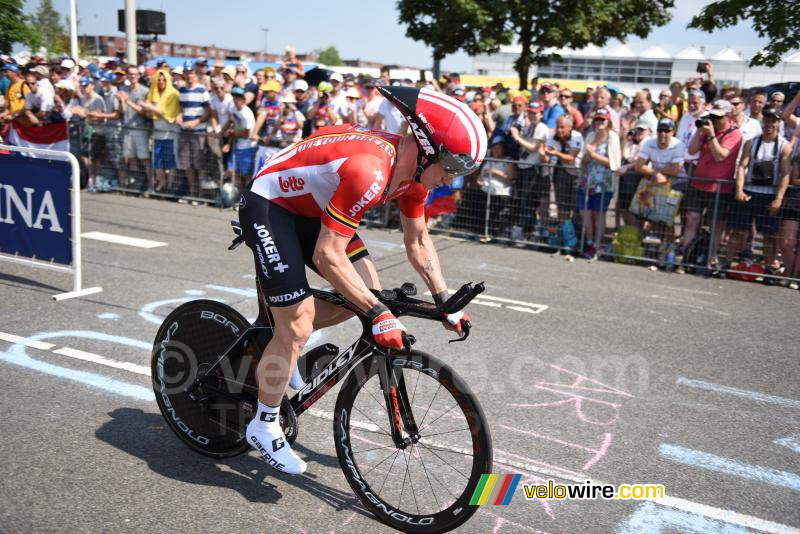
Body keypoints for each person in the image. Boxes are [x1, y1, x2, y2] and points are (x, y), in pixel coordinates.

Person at [238, 86, 485, 474]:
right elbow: (327, 255)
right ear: (424, 149)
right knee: (304, 321)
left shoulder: (414, 177)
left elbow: (418, 241)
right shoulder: (370, 171)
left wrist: (445, 303)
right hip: (272, 206)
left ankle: (279, 338)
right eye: (451, 168)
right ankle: (264, 424)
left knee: (365, 294)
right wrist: (378, 314)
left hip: (319, 205)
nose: (450, 181)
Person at [727, 107, 791, 265]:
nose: (770, 124)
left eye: (773, 121)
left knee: (769, 235)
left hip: (769, 195)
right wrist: (739, 190)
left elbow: (785, 174)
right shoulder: (751, 142)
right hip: (748, 192)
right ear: (763, 122)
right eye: (767, 120)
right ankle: (726, 263)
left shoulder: (784, 145)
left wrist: (778, 199)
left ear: (778, 123)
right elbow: (742, 166)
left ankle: (769, 268)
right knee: (738, 231)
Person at [683, 100, 743, 266]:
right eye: (713, 116)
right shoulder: (708, 128)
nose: (715, 120)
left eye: (719, 117)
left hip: (720, 188)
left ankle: (709, 259)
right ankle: (686, 257)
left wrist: (710, 135)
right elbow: (691, 150)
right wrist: (699, 129)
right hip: (699, 183)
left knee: (715, 225)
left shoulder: (734, 133)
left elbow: (720, 155)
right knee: (692, 219)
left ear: (728, 115)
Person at [633, 117, 686, 258]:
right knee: (651, 216)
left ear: (672, 132)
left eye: (667, 130)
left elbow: (675, 170)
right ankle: (665, 244)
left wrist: (657, 172)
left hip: (676, 183)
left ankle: (672, 245)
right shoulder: (649, 143)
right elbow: (639, 165)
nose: (663, 134)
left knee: (665, 217)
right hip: (657, 181)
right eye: (660, 130)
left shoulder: (678, 144)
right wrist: (656, 173)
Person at [578, 108, 621, 259]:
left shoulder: (612, 137)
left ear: (608, 121)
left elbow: (614, 164)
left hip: (604, 182)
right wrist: (588, 157)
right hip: (586, 181)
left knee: (599, 214)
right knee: (585, 213)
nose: (599, 122)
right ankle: (589, 243)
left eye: (603, 120)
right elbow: (582, 161)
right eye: (597, 119)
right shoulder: (590, 135)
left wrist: (593, 154)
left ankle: (597, 244)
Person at [509, 101, 549, 238]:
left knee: (529, 201)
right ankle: (526, 230)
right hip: (524, 167)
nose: (532, 115)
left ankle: (529, 230)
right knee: (523, 200)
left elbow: (533, 147)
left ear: (541, 114)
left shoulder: (541, 127)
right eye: (530, 112)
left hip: (533, 169)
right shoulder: (529, 126)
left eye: (535, 113)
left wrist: (517, 137)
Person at [141, 70, 181, 193]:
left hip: (171, 133)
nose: (161, 82)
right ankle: (162, 185)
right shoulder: (154, 95)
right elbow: (150, 115)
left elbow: (168, 114)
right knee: (157, 162)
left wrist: (150, 107)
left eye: (164, 79)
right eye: (158, 79)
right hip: (157, 133)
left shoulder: (174, 94)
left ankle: (170, 186)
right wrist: (147, 108)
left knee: (170, 162)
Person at [177, 59, 211, 198]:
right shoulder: (182, 90)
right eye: (186, 72)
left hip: (198, 132)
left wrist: (196, 122)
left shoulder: (202, 90)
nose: (189, 74)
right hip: (184, 132)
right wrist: (179, 118)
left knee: (199, 164)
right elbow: (181, 110)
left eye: (190, 72)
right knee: (187, 164)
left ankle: (201, 194)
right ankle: (192, 192)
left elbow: (209, 112)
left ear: (194, 73)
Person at [117, 65, 151, 192]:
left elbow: (144, 112)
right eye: (130, 74)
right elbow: (120, 111)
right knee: (130, 159)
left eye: (135, 74)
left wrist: (128, 101)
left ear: (139, 75)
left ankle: (150, 184)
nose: (133, 76)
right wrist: (121, 101)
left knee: (144, 158)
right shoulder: (123, 89)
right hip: (127, 129)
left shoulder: (144, 91)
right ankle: (137, 183)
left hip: (140, 129)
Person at [544, 114, 584, 223]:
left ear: (570, 127)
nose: (559, 130)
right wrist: (544, 153)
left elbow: (571, 158)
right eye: (557, 127)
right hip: (562, 170)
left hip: (577, 172)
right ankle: (564, 231)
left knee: (576, 206)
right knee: (562, 205)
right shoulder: (552, 135)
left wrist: (556, 152)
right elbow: (546, 155)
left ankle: (577, 232)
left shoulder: (577, 136)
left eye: (562, 127)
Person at [223, 86, 258, 192]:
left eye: (238, 98)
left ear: (243, 99)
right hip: (237, 145)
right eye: (234, 97)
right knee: (232, 172)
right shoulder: (233, 109)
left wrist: (231, 133)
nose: (235, 100)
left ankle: (246, 198)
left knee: (246, 175)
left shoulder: (246, 114)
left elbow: (246, 134)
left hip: (248, 147)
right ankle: (238, 197)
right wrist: (228, 142)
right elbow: (233, 124)